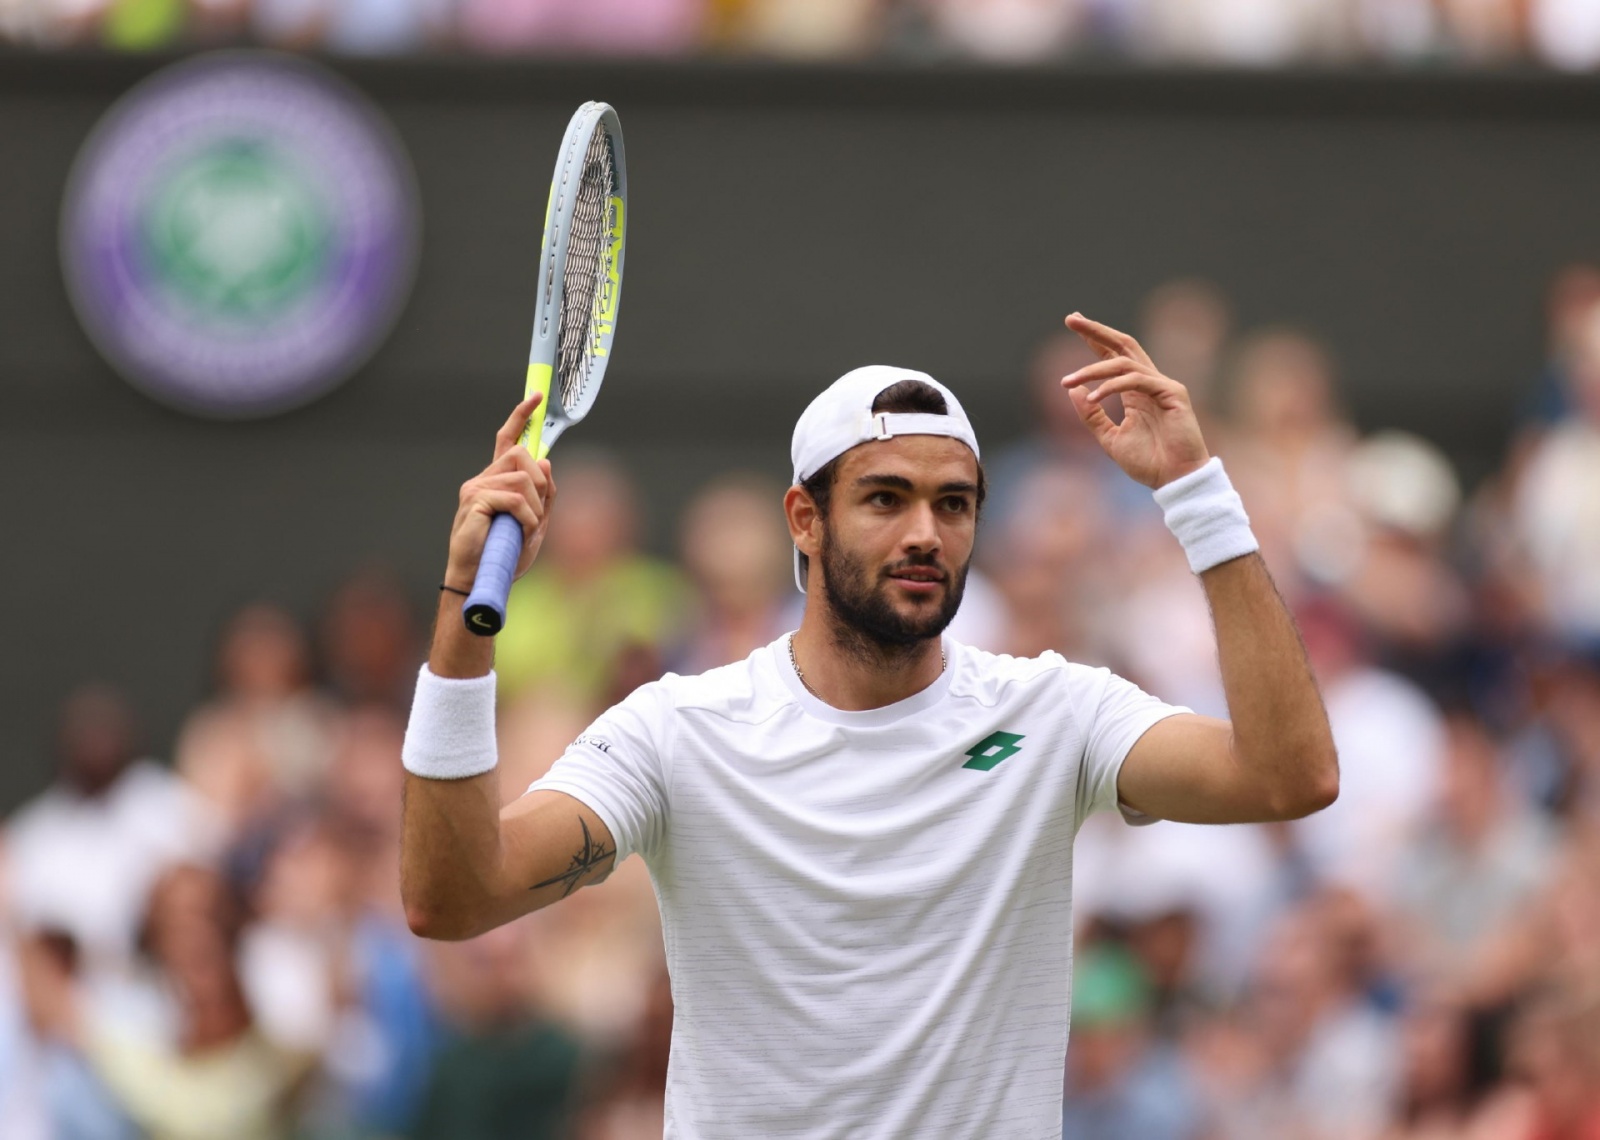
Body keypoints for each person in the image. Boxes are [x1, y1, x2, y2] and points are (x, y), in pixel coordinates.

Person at [399, 312, 1339, 1137]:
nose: (926, 532)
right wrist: (459, 613)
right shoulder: (678, 729)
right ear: (804, 520)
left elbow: (1289, 778)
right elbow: (455, 898)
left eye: (954, 504)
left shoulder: (1056, 713)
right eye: (886, 498)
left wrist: (1198, 495)